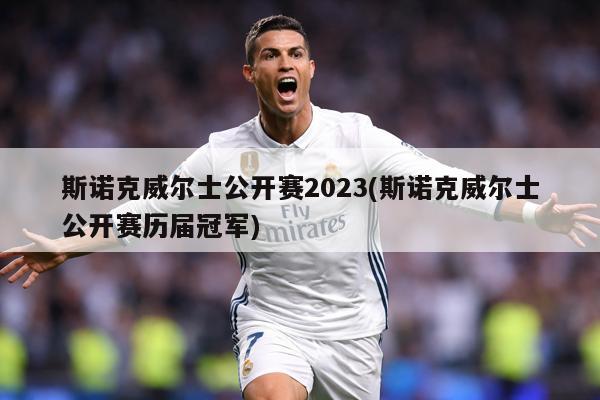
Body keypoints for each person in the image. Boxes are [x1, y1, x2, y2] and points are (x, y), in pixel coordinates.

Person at [1, 15, 599, 400]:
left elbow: (448, 185)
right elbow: (147, 209)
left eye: (295, 53)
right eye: (270, 55)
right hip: (273, 319)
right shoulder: (223, 153)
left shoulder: (357, 138)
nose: (284, 63)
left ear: (310, 69)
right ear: (250, 72)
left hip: (353, 330)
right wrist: (67, 246)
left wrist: (534, 215)